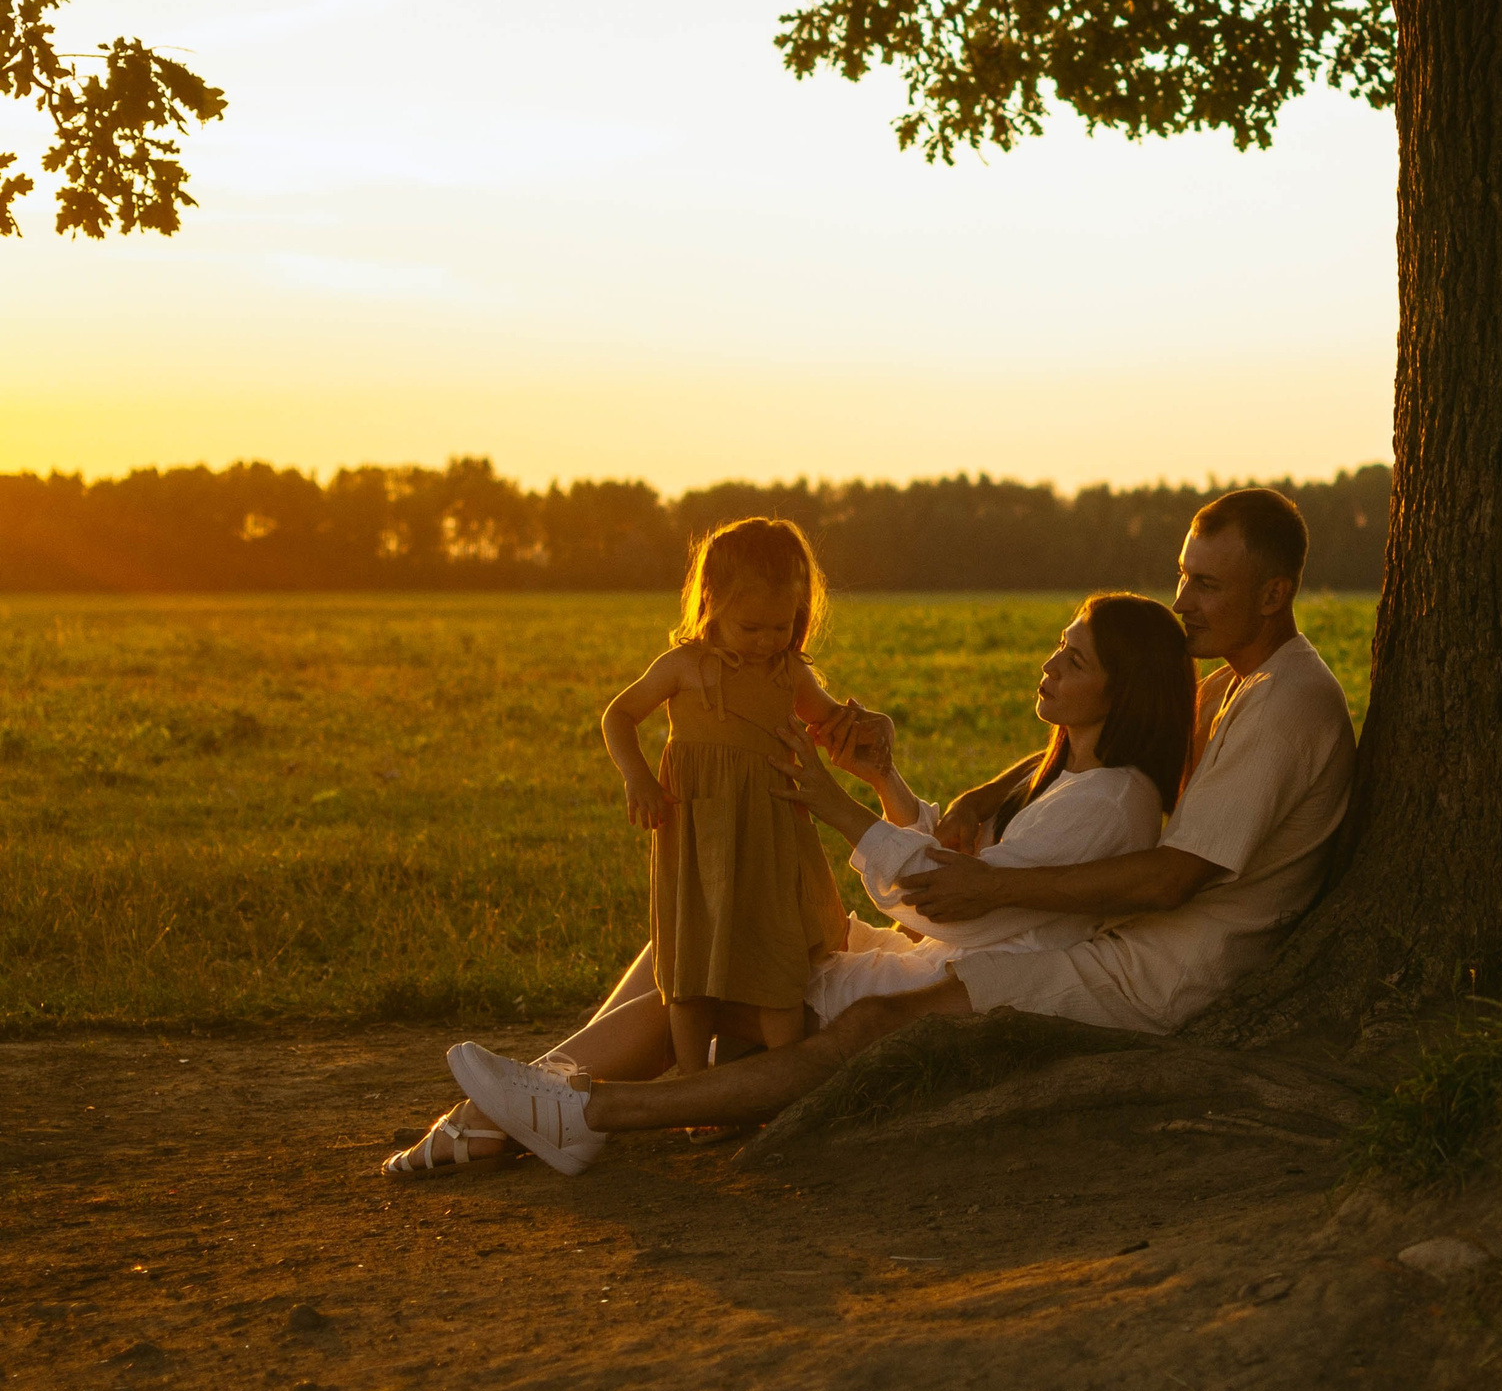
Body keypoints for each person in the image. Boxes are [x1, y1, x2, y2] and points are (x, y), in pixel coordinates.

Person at [415, 488, 1357, 1179]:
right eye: (1183, 577)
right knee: (699, 945)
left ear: (1273, 593)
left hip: (1155, 968)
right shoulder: (1225, 684)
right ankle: (524, 1101)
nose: (1184, 601)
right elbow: (1100, 770)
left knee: (840, 1012)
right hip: (1084, 933)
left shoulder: (1286, 703)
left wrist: (904, 837)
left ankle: (571, 1108)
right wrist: (961, 789)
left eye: (1206, 584)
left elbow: (1164, 876)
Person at [800, 592, 1194, 1017]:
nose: (1050, 665)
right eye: (1062, 644)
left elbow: (954, 907)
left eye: (1076, 662)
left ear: (1124, 694)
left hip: (957, 988)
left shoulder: (1110, 803)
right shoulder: (1058, 770)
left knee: (780, 982)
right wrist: (883, 777)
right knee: (786, 944)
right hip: (938, 958)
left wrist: (834, 804)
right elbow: (949, 863)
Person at [602, 517, 855, 1078]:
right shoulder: (684, 666)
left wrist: (868, 724)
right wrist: (637, 777)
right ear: (712, 602)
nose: (767, 640)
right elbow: (619, 715)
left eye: (781, 627)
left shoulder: (789, 673)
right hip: (697, 836)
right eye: (750, 627)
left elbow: (831, 720)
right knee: (690, 963)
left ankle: (779, 1083)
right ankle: (693, 1085)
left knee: (777, 959)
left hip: (772, 839)